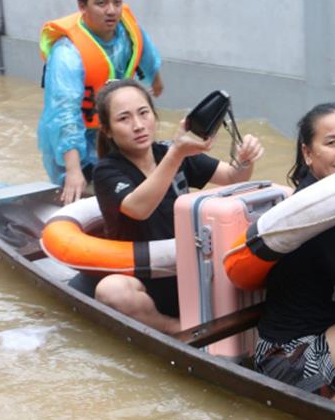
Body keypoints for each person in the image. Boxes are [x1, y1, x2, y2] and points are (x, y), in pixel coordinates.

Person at [91, 79, 263, 333]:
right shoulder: (107, 170)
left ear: (154, 114)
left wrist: (245, 159)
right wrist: (177, 154)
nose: (138, 125)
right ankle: (176, 330)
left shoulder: (170, 151)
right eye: (124, 119)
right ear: (107, 130)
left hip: (190, 271)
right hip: (144, 283)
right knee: (110, 290)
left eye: (143, 113)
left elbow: (232, 177)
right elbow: (138, 208)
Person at [254, 103, 335, 408]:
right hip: (287, 360)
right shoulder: (316, 207)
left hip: (331, 342)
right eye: (332, 143)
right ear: (308, 153)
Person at [38, 0, 164, 205]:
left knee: (127, 181)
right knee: (79, 191)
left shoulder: (127, 30)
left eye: (117, 2)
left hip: (114, 127)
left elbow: (145, 52)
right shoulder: (67, 54)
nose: (112, 11)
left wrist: (156, 80)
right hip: (76, 133)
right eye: (101, 3)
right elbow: (64, 113)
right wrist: (73, 170)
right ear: (83, 6)